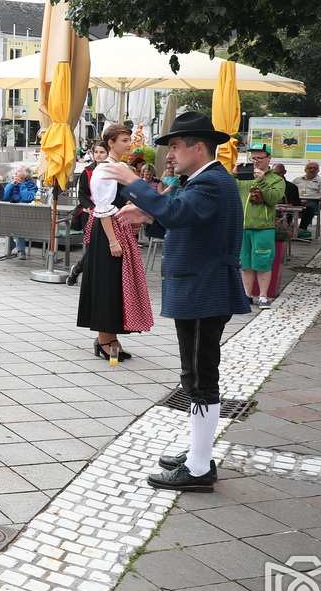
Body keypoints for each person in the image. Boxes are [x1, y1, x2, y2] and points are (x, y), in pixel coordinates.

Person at [102, 111, 249, 491]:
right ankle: (199, 453)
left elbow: (179, 211)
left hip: (204, 290)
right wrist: (147, 214)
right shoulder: (203, 180)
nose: (171, 154)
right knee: (195, 374)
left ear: (198, 147)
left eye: (176, 146)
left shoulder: (212, 182)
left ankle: (199, 469)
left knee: (200, 378)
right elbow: (179, 218)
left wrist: (134, 184)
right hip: (200, 288)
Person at [77, 123, 154, 362]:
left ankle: (111, 336)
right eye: (123, 140)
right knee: (107, 284)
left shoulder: (119, 167)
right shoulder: (104, 170)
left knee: (118, 285)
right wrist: (112, 241)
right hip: (108, 231)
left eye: (129, 139)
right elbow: (103, 208)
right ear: (110, 143)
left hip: (120, 229)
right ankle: (103, 339)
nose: (129, 143)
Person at [237, 142, 285, 308]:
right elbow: (228, 190)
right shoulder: (244, 176)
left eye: (260, 158)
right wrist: (232, 174)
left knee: (263, 262)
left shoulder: (276, 179)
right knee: (245, 263)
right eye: (253, 158)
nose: (256, 161)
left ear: (269, 159)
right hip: (243, 227)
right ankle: (246, 295)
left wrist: (262, 180)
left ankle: (263, 296)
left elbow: (274, 198)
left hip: (263, 228)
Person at [67, 144, 110, 286]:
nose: (98, 155)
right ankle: (79, 270)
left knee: (103, 247)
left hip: (109, 212)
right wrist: (90, 207)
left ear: (108, 153)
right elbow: (82, 194)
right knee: (94, 246)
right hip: (90, 212)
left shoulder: (113, 170)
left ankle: (79, 269)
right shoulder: (87, 171)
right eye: (96, 152)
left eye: (102, 152)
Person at [0, 164, 37, 260]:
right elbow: (4, 198)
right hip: (11, 214)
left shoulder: (31, 185)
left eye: (18, 171)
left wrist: (22, 185)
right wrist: (11, 185)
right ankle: (13, 245)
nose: (15, 173)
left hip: (26, 215)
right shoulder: (12, 184)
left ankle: (20, 250)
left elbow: (27, 198)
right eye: (16, 171)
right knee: (2, 221)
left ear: (26, 175)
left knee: (19, 223)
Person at [293, 161, 321, 239]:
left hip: (312, 201)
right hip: (297, 201)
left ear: (318, 170)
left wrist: (308, 199)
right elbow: (290, 190)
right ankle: (287, 228)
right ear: (305, 169)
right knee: (286, 206)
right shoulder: (297, 180)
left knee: (309, 207)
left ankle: (302, 229)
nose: (312, 170)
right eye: (310, 168)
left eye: (315, 168)